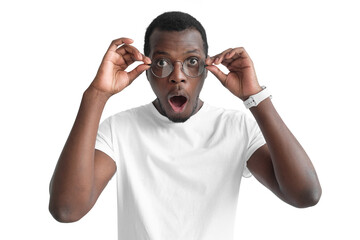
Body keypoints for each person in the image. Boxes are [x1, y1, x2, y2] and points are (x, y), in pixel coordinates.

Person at [49, 11, 321, 240]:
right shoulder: (120, 129)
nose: (177, 77)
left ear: (207, 66)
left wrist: (255, 97)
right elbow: (66, 209)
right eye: (162, 63)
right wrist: (97, 94)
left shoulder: (236, 128)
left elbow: (305, 194)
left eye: (192, 62)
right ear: (145, 68)